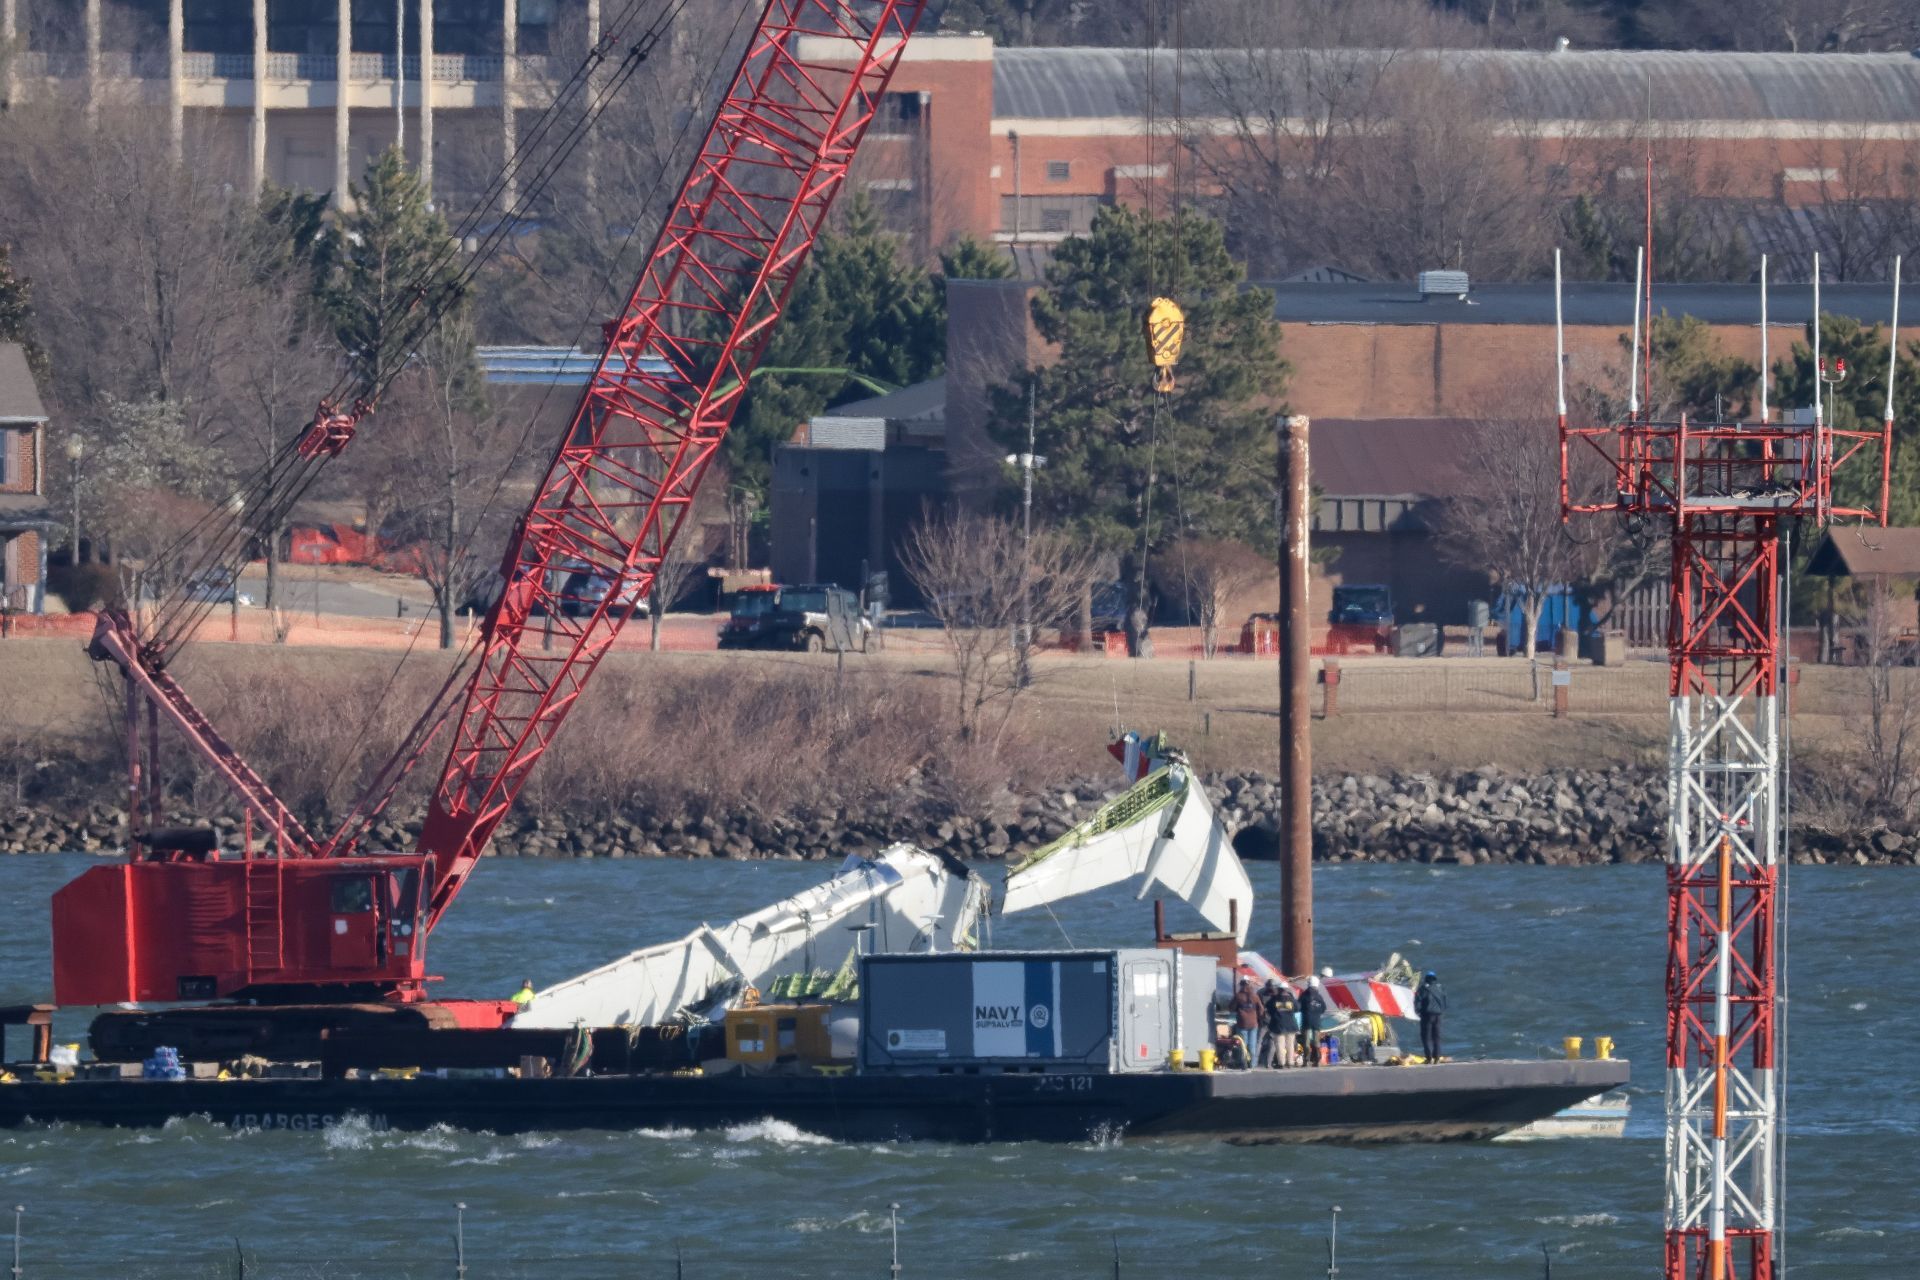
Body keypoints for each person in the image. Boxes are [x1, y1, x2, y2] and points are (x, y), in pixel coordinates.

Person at [1263, 979, 1300, 1068]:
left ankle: (1281, 1063)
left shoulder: (1274, 999)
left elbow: (1268, 1008)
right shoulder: (1291, 999)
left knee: (1280, 1045)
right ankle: (1290, 1063)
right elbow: (1297, 1008)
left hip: (1279, 1025)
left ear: (1279, 989)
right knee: (1290, 1045)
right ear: (1287, 989)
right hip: (1291, 1025)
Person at [1415, 970, 1447, 1063]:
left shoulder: (1423, 988)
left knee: (1426, 1037)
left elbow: (1417, 1002)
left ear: (1426, 979)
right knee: (1437, 1037)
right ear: (1435, 979)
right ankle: (1437, 1057)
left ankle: (1429, 1058)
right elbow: (1445, 1002)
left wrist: (1418, 1012)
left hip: (1427, 1015)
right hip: (1438, 1015)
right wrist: (1442, 1012)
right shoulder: (1440, 988)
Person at [1231, 978, 1262, 1069]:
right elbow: (1261, 1009)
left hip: (1242, 1023)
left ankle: (1243, 1063)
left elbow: (1232, 1007)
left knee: (1243, 1045)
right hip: (1253, 1023)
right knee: (1252, 1045)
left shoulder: (1238, 996)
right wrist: (1259, 1017)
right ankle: (1252, 1064)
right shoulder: (1255, 996)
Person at [1299, 975, 1328, 1066]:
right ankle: (1317, 1060)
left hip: (1306, 1021)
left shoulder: (1304, 995)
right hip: (1316, 1022)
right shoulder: (1319, 997)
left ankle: (1306, 1060)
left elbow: (1298, 1006)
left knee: (1306, 1042)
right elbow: (1323, 1008)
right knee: (1316, 1042)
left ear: (1308, 984)